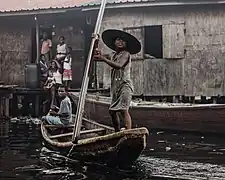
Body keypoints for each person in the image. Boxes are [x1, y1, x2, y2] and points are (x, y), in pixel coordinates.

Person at [93, 29, 141, 132]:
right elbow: (96, 58)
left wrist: (103, 59)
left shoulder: (126, 54)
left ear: (126, 44)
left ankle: (128, 132)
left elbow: (119, 66)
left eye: (123, 41)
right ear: (114, 42)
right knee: (112, 111)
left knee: (124, 109)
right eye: (118, 40)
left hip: (125, 85)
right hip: (115, 88)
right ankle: (117, 132)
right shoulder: (113, 55)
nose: (120, 42)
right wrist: (95, 44)